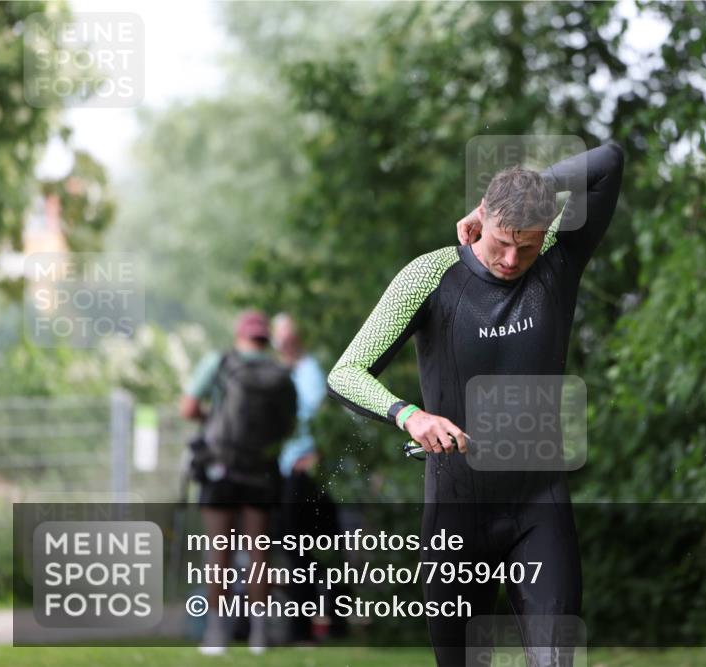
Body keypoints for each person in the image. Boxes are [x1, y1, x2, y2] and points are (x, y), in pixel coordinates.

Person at [327, 143, 624, 666]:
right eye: (503, 243)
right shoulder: (430, 276)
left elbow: (610, 160)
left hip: (540, 507)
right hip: (455, 515)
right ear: (481, 218)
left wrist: (530, 189)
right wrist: (409, 415)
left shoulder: (558, 258)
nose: (512, 261)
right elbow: (345, 373)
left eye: (526, 248)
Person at [180, 309, 297, 656]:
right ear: (265, 339)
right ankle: (259, 637)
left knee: (220, 552)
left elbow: (187, 408)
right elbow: (289, 426)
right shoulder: (280, 373)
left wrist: (212, 418)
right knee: (259, 553)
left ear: (240, 334)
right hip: (262, 471)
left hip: (221, 469)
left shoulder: (220, 362)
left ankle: (217, 634)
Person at [270, 313, 344, 642]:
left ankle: (310, 629)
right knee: (310, 550)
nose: (283, 342)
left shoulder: (310, 373)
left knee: (304, 550)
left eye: (289, 335)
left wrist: (313, 458)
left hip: (305, 474)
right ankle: (317, 627)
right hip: (289, 472)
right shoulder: (289, 372)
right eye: (279, 336)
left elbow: (321, 424)